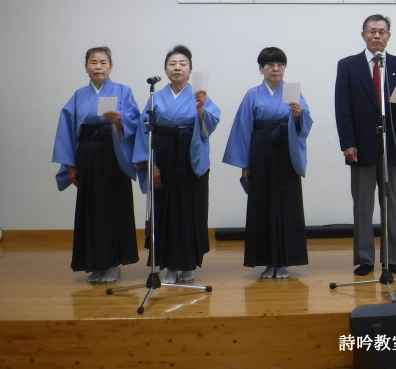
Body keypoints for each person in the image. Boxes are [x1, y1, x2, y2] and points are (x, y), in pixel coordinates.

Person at [335, 14, 396, 277]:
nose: (377, 36)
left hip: (391, 144)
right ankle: (365, 259)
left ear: (389, 36)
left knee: (390, 204)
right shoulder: (348, 65)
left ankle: (390, 259)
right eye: (372, 31)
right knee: (363, 205)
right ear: (363, 35)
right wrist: (347, 143)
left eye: (382, 31)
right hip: (360, 146)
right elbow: (342, 107)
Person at [52, 46, 141, 284]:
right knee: (91, 210)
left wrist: (120, 120)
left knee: (114, 208)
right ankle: (95, 264)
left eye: (103, 62)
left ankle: (112, 263)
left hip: (114, 154)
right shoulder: (79, 95)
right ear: (86, 67)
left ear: (111, 67)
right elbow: (66, 130)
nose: (98, 66)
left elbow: (136, 122)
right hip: (88, 156)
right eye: (93, 62)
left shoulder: (123, 91)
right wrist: (70, 165)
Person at [133, 45, 220, 284]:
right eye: (172, 64)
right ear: (165, 70)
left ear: (190, 69)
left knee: (191, 210)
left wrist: (201, 109)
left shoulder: (199, 96)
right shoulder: (156, 97)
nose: (177, 68)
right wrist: (152, 164)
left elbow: (210, 125)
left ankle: (189, 264)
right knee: (165, 211)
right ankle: (170, 266)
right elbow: (144, 130)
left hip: (190, 156)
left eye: (182, 63)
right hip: (163, 157)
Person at [223, 47, 312, 280]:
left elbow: (305, 123)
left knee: (287, 204)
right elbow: (243, 128)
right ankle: (267, 262)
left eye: (280, 64)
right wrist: (245, 164)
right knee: (261, 204)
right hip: (260, 151)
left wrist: (297, 116)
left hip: (286, 151)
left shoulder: (293, 92)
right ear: (261, 69)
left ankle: (283, 262)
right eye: (270, 65)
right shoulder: (252, 94)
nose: (276, 69)